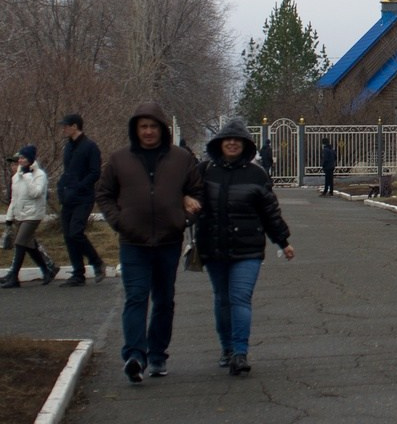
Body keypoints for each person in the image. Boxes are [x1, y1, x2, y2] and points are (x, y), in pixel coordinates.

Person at [96, 102, 203, 383]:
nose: (148, 131)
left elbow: (197, 191)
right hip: (133, 242)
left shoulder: (181, 159)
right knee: (136, 297)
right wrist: (119, 221)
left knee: (164, 300)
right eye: (143, 126)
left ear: (162, 129)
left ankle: (157, 355)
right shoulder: (120, 159)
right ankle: (135, 356)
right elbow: (104, 193)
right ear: (135, 129)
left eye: (153, 126)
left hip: (168, 240)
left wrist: (184, 218)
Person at [195, 118, 294, 377]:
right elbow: (190, 202)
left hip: (248, 249)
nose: (232, 143)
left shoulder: (257, 175)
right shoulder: (205, 171)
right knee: (222, 298)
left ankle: (240, 352)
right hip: (213, 247)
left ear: (246, 145)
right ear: (219, 143)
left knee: (239, 297)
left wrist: (283, 241)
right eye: (227, 139)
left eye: (237, 140)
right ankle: (227, 348)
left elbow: (270, 212)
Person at [56, 113, 107, 287]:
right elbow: (67, 171)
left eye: (66, 126)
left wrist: (79, 186)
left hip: (83, 197)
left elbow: (95, 172)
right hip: (68, 197)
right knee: (68, 235)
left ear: (75, 126)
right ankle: (78, 273)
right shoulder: (68, 147)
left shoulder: (90, 147)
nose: (63, 129)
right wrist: (61, 188)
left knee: (76, 232)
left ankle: (97, 262)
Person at [0, 145, 58, 288]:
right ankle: (47, 271)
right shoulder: (16, 176)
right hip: (20, 214)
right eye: (20, 158)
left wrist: (27, 176)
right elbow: (14, 199)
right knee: (30, 245)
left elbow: (36, 193)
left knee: (20, 243)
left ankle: (14, 277)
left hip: (33, 215)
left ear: (30, 159)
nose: (20, 160)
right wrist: (9, 218)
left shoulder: (39, 175)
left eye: (23, 158)